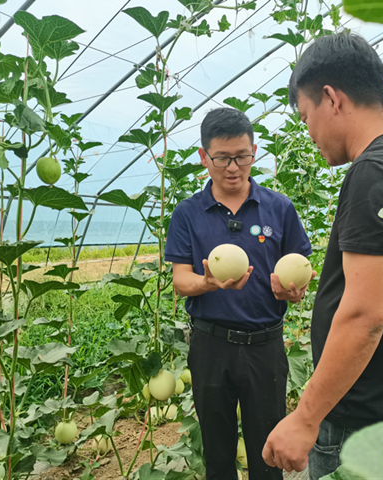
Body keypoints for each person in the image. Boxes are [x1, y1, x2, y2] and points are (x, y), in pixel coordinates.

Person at [262, 33, 383, 478]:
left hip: (362, 422)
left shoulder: (375, 171)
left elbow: (367, 314)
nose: (308, 132)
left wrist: (306, 417)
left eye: (306, 116)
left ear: (331, 98)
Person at [163, 107, 314, 480]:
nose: (233, 167)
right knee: (217, 451)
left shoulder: (279, 208)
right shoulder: (188, 213)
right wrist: (207, 283)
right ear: (204, 157)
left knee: (268, 453)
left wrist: (294, 292)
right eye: (222, 158)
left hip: (265, 346)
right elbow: (181, 279)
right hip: (211, 345)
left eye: (242, 157)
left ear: (254, 152)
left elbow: (299, 266)